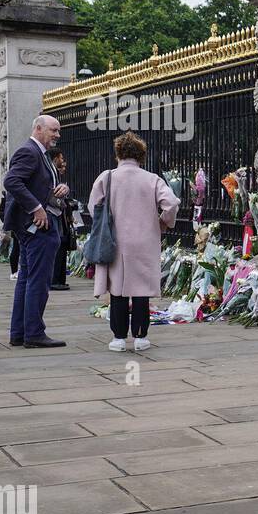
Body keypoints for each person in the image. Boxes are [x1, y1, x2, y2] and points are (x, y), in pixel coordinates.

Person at [89, 132, 180, 352]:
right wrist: (162, 223)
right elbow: (171, 204)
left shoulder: (107, 177)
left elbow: (94, 207)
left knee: (118, 291)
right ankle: (141, 337)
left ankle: (118, 338)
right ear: (141, 155)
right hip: (145, 241)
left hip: (115, 241)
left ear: (118, 153)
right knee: (141, 291)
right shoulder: (152, 179)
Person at [1, 115, 67, 347]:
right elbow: (11, 182)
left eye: (58, 131)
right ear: (38, 128)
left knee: (27, 279)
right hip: (37, 227)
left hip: (33, 226)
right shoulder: (29, 151)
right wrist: (37, 208)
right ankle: (34, 333)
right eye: (54, 130)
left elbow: (36, 184)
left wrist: (62, 188)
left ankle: (19, 332)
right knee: (38, 281)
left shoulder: (41, 154)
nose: (58, 135)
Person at [48, 148, 77, 291]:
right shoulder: (50, 173)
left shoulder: (57, 175)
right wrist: (63, 203)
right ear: (55, 159)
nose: (63, 163)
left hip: (61, 217)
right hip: (55, 215)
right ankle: (54, 280)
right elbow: (51, 196)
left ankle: (59, 278)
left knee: (61, 248)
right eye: (61, 159)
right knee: (57, 248)